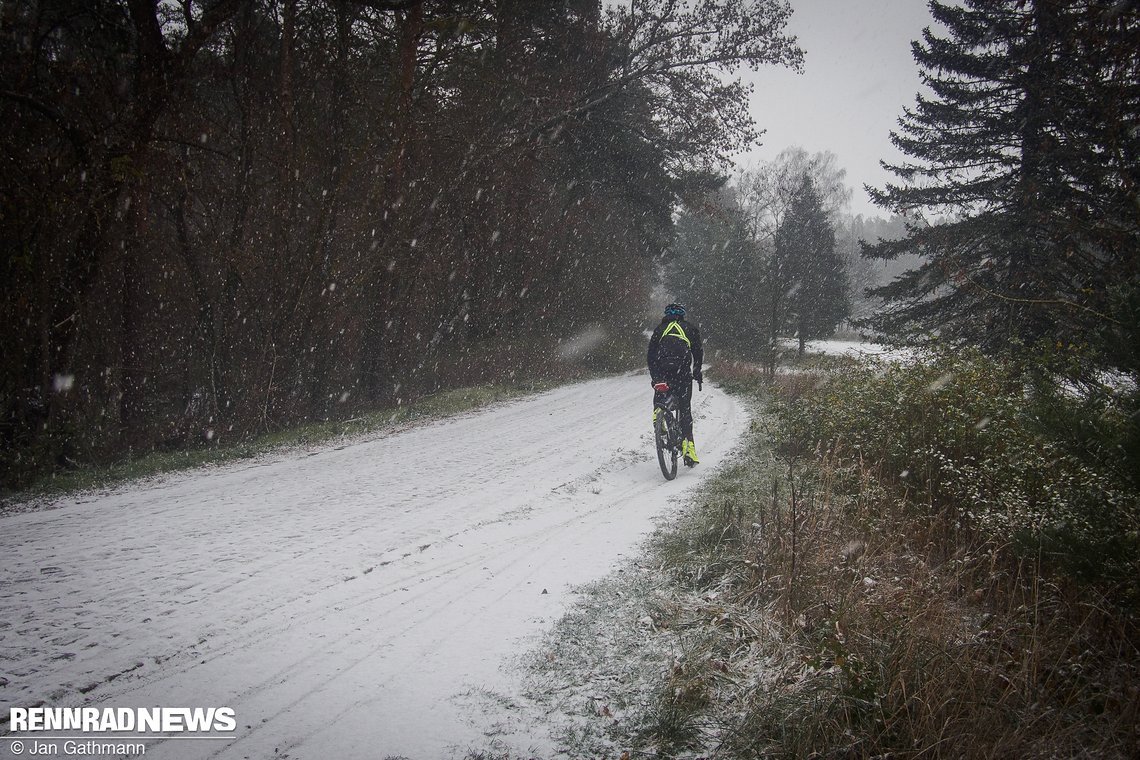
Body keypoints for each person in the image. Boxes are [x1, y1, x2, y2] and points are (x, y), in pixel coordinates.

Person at [647, 303, 703, 465]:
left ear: (666, 315)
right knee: (685, 409)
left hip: (663, 372)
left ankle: (658, 410)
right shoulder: (689, 329)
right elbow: (698, 353)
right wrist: (697, 372)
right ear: (682, 315)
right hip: (683, 373)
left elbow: (651, 356)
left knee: (660, 394)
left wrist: (656, 377)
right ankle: (688, 449)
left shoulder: (659, 330)